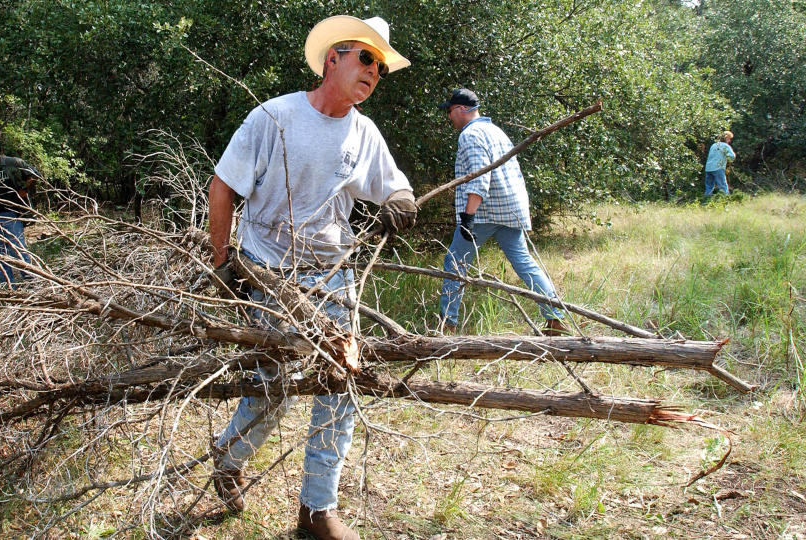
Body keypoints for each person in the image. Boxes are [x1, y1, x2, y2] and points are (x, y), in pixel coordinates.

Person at [207, 15, 417, 540]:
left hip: (331, 275)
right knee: (269, 390)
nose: (373, 71)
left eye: (380, 67)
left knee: (340, 380)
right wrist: (223, 263)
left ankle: (317, 511)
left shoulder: (364, 132)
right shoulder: (274, 117)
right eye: (365, 58)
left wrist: (401, 205)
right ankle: (228, 457)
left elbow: (394, 187)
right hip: (267, 274)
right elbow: (223, 187)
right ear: (334, 58)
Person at [436, 88, 567, 336]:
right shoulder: (495, 131)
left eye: (450, 111)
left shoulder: (470, 135)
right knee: (524, 262)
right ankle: (555, 318)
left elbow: (479, 177)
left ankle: (447, 326)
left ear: (462, 109)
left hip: (485, 212)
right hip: (511, 210)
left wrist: (467, 218)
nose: (449, 117)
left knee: (454, 264)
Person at [0, 136, 40, 288]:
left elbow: (35, 175)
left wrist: (24, 189)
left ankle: (32, 282)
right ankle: (8, 288)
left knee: (17, 250)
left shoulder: (13, 163)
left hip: (11, 214)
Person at [704, 130, 735, 196]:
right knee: (722, 186)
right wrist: (728, 161)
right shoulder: (725, 146)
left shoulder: (713, 145)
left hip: (708, 168)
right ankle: (725, 200)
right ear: (726, 138)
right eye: (729, 139)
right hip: (718, 167)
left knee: (709, 187)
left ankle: (706, 200)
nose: (729, 141)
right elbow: (732, 156)